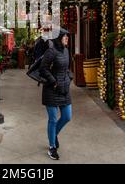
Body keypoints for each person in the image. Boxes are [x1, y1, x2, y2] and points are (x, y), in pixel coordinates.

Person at [39, 28, 72, 160]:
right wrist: (54, 82)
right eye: (65, 36)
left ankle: (54, 134)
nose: (67, 38)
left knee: (67, 116)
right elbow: (43, 68)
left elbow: (66, 68)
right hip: (51, 90)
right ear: (59, 38)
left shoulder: (66, 50)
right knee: (52, 119)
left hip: (64, 90)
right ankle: (52, 147)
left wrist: (69, 78)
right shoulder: (51, 51)